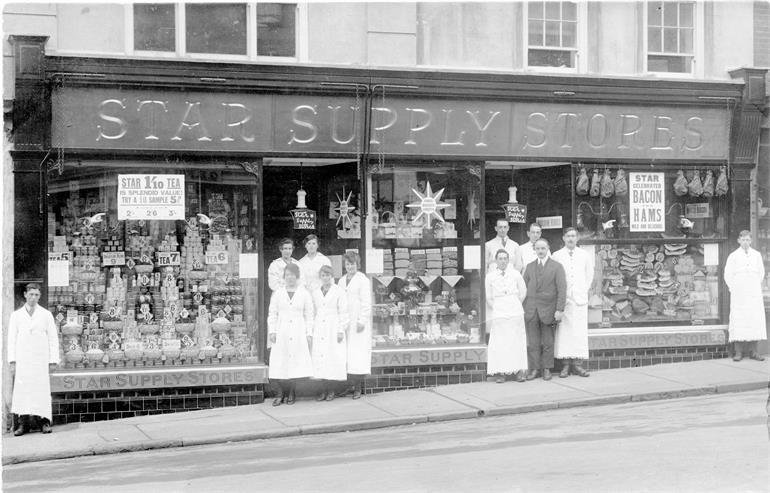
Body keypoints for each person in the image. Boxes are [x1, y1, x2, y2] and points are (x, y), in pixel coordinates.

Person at [7, 283, 60, 436]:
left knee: (40, 390)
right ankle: (23, 425)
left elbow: (53, 339)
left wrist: (53, 361)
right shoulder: (16, 316)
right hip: (23, 360)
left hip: (40, 360)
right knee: (23, 392)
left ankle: (44, 422)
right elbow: (11, 339)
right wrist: (12, 361)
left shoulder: (46, 315)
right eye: (31, 294)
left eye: (37, 295)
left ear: (39, 296)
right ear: (25, 295)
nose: (33, 298)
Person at [267, 263, 314, 406]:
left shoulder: (304, 293)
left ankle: (292, 392)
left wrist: (309, 333)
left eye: (293, 275)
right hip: (281, 331)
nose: (290, 278)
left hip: (298, 332)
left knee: (294, 364)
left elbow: (309, 315)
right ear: (284, 277)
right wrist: (272, 331)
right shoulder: (278, 293)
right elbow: (272, 313)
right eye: (287, 275)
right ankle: (280, 393)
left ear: (297, 277)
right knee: (279, 363)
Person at [522, 238, 566, 381]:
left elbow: (562, 290)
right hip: (532, 309)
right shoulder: (529, 267)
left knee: (548, 341)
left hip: (549, 309)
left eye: (543, 248)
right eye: (538, 248)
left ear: (548, 249)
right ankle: (534, 369)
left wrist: (559, 309)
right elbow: (523, 289)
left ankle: (546, 369)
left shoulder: (557, 267)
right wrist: (524, 308)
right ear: (534, 250)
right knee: (533, 342)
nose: (540, 251)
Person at [551, 228, 593, 378]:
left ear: (578, 238)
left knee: (579, 333)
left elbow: (589, 275)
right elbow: (554, 276)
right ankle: (566, 365)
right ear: (563, 238)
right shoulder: (557, 255)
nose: (570, 239)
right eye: (568, 236)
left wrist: (582, 290)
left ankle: (578, 365)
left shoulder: (584, 255)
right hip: (565, 300)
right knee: (564, 333)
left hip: (580, 299)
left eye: (573, 236)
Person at [485, 249, 528, 383]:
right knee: (500, 342)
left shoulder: (515, 274)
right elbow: (489, 297)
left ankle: (519, 371)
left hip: (515, 311)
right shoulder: (490, 276)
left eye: (505, 258)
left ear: (508, 260)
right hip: (499, 312)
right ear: (496, 261)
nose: (503, 261)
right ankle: (501, 372)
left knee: (517, 341)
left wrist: (513, 303)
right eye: (500, 258)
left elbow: (523, 292)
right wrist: (499, 307)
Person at [724, 230, 766, 362]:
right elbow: (728, 274)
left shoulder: (757, 255)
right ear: (739, 240)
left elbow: (761, 273)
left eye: (748, 240)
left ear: (751, 241)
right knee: (739, 320)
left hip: (753, 294)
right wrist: (735, 288)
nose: (746, 243)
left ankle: (754, 352)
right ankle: (738, 352)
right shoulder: (733, 256)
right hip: (739, 294)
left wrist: (752, 286)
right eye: (743, 240)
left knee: (754, 320)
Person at [311, 265, 349, 401]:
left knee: (332, 359)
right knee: (320, 359)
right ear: (320, 277)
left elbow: (344, 312)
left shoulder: (339, 291)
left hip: (333, 327)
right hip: (319, 328)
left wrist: (340, 330)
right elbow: (313, 312)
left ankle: (331, 390)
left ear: (331, 276)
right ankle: (322, 390)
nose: (325, 278)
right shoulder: (315, 292)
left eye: (327, 275)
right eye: (323, 275)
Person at [338, 252, 372, 399]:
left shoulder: (362, 280)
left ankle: (358, 387)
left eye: (352, 264)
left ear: (357, 265)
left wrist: (362, 321)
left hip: (358, 322)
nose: (350, 266)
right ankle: (349, 385)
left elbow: (366, 303)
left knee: (357, 354)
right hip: (346, 321)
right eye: (347, 264)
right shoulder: (341, 280)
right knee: (347, 354)